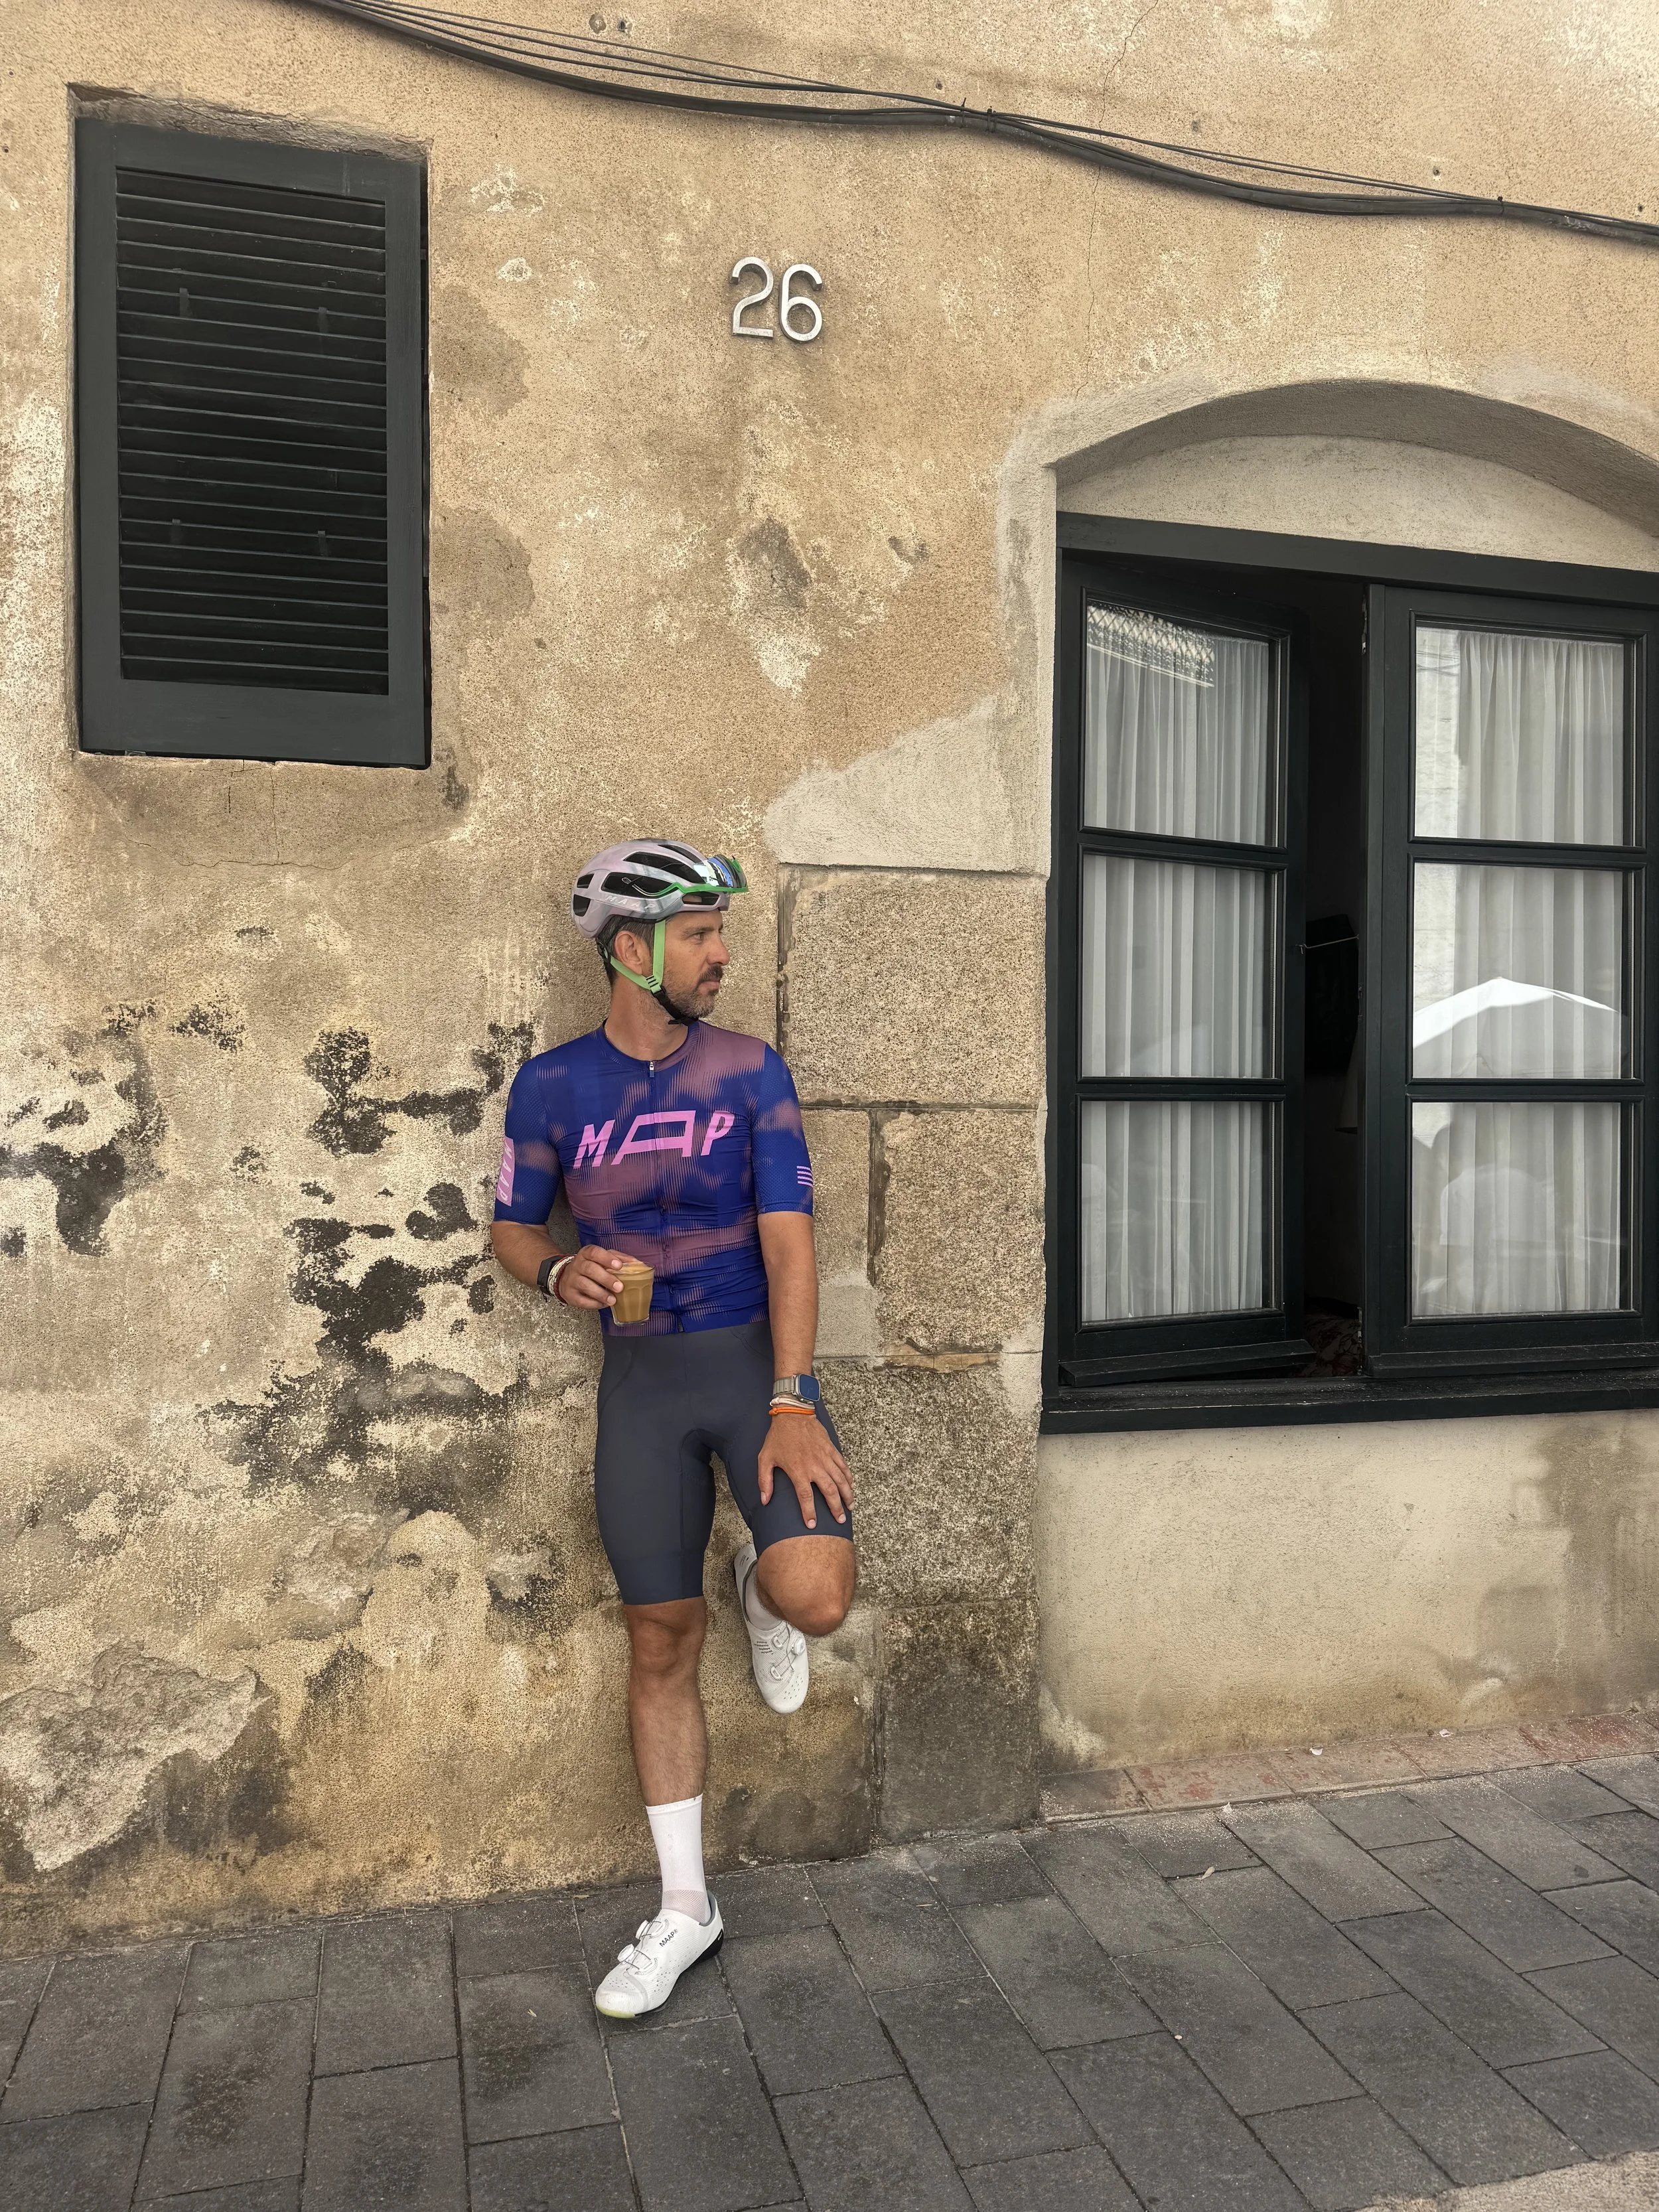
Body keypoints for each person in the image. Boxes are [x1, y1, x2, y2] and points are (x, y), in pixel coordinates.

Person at [490, 840, 857, 2020]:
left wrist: (794, 1400)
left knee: (819, 1596)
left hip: (754, 1367)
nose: (721, 955)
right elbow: (510, 1230)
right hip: (640, 1383)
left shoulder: (752, 1071)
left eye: (719, 934)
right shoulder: (550, 1089)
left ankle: (762, 1581)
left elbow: (792, 1242)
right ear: (632, 950)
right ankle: (687, 1908)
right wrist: (560, 1276)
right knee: (658, 1637)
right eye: (700, 935)